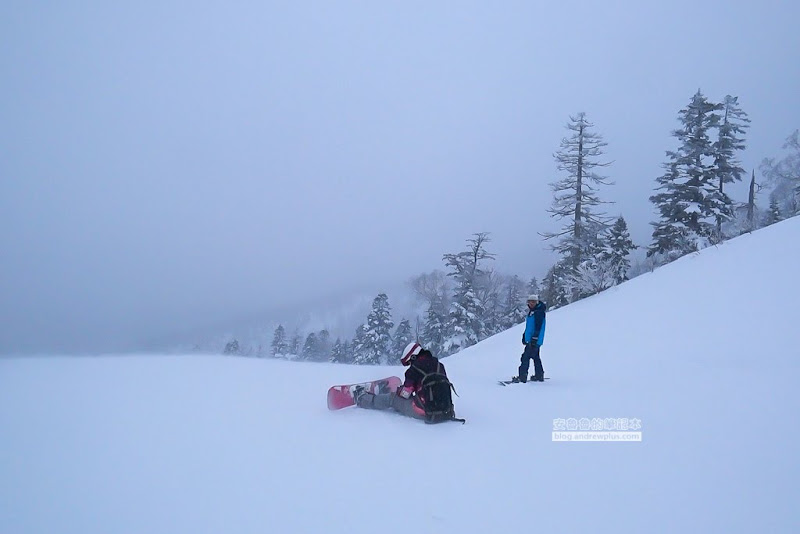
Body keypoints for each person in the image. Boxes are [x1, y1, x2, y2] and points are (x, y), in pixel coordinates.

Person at [355, 342, 462, 423]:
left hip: (426, 412)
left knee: (393, 399)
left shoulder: (413, 370)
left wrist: (397, 391)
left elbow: (405, 394)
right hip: (446, 412)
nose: (410, 365)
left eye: (409, 362)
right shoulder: (439, 365)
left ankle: (363, 399)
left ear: (413, 356)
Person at [513, 294, 547, 383]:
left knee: (525, 357)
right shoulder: (533, 312)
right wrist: (525, 336)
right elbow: (529, 327)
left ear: (537, 302)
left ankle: (522, 377)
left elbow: (538, 327)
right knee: (535, 357)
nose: (531, 303)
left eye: (533, 302)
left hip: (534, 340)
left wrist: (534, 339)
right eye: (530, 302)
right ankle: (539, 375)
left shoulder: (538, 312)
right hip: (533, 339)